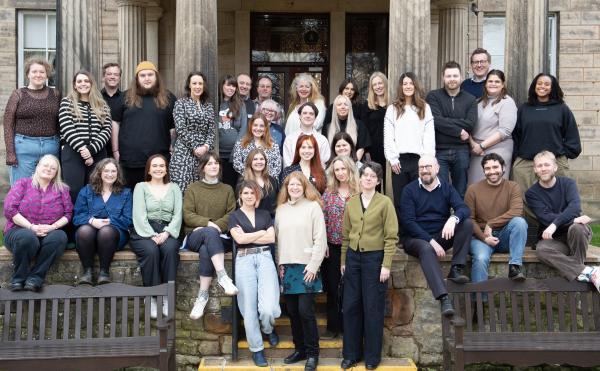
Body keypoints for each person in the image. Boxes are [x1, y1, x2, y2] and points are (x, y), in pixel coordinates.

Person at [340, 160, 398, 370]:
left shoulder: (385, 203)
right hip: (353, 259)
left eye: (373, 176)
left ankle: (372, 357)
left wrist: (386, 265)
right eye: (365, 175)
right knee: (351, 306)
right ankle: (351, 354)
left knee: (373, 307)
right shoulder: (351, 202)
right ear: (360, 177)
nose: (368, 179)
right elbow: (346, 236)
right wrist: (343, 261)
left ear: (378, 180)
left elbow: (391, 237)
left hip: (375, 260)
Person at [400, 155, 472, 317]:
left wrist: (453, 219)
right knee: (426, 248)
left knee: (466, 223)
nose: (424, 170)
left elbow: (464, 208)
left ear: (437, 169)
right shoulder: (409, 190)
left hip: (440, 236)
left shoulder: (446, 188)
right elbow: (408, 223)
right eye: (421, 167)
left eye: (428, 167)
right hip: (415, 238)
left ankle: (456, 268)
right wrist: (431, 241)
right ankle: (444, 297)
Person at [525, 151, 600, 292]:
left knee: (577, 228)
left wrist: (554, 224)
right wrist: (570, 219)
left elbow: (575, 208)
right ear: (535, 169)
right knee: (542, 250)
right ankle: (589, 272)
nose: (543, 168)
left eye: (547, 164)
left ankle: (581, 272)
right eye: (539, 166)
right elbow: (545, 217)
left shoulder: (568, 184)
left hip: (576, 236)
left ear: (555, 167)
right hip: (555, 241)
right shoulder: (532, 193)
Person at [275, 171, 327, 371]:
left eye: (298, 185)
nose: (294, 188)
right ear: (286, 188)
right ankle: (300, 350)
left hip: (307, 267)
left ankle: (313, 353)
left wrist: (313, 266)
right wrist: (279, 264)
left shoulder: (313, 207)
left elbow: (320, 240)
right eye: (290, 185)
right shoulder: (281, 209)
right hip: (287, 268)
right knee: (293, 312)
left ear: (304, 186)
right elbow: (278, 241)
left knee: (306, 312)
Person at [229, 180, 281, 367]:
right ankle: (257, 349)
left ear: (257, 195)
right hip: (244, 260)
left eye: (252, 193)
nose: (249, 196)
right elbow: (239, 240)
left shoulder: (265, 214)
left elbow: (271, 237)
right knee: (248, 309)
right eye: (245, 193)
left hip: (265, 258)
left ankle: (268, 328)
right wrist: (260, 234)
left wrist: (249, 236)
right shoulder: (234, 217)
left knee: (268, 307)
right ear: (240, 196)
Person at [3, 154, 72, 292]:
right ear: (38, 166)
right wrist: (31, 227)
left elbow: (68, 214)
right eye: (45, 165)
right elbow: (10, 209)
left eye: (53, 168)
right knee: (28, 237)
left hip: (48, 232)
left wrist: (52, 227)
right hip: (18, 231)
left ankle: (35, 278)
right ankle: (18, 279)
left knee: (60, 237)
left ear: (56, 172)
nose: (48, 169)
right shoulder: (22, 183)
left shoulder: (62, 189)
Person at [184, 151, 238, 320]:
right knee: (208, 234)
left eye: (216, 163)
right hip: (195, 235)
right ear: (203, 167)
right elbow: (187, 214)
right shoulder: (193, 188)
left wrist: (215, 228)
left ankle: (202, 297)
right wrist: (209, 224)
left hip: (221, 237)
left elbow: (231, 214)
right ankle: (223, 277)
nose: (213, 166)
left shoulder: (227, 189)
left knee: (207, 249)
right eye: (209, 163)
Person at [130, 154, 181, 318]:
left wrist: (166, 233)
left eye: (161, 166)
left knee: (171, 249)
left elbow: (178, 214)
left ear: (166, 169)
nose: (158, 169)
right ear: (149, 170)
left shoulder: (174, 188)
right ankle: (152, 296)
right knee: (151, 251)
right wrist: (151, 234)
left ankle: (166, 296)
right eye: (155, 166)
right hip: (143, 229)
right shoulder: (141, 187)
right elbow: (139, 214)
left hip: (167, 229)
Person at [512, 73, 581, 194]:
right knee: (524, 197)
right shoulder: (524, 108)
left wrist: (562, 155)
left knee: (559, 196)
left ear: (552, 87)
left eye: (546, 84)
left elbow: (572, 134)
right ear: (534, 86)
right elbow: (516, 134)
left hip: (555, 161)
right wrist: (519, 154)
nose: (542, 86)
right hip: (526, 162)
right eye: (539, 83)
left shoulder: (561, 108)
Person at [112, 61, 176, 189]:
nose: (147, 78)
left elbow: (173, 126)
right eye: (142, 75)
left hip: (159, 162)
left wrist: (172, 146)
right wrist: (115, 150)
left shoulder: (168, 97)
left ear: (156, 77)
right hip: (130, 160)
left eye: (150, 75)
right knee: (132, 199)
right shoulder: (125, 97)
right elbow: (115, 123)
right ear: (137, 79)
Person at [465, 153, 527, 286]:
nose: (492, 171)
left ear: (503, 168)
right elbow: (469, 219)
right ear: (483, 170)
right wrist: (484, 237)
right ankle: (480, 302)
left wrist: (491, 223)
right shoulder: (473, 190)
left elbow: (517, 211)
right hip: (481, 237)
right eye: (487, 168)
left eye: (495, 167)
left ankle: (514, 267)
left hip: (505, 236)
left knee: (520, 222)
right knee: (481, 259)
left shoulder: (513, 186)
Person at [384, 72, 435, 222]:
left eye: (411, 83)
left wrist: (427, 159)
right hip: (399, 161)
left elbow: (429, 135)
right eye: (405, 83)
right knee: (400, 200)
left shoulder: (425, 108)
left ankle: (418, 232)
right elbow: (388, 136)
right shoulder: (392, 109)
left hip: (419, 161)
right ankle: (403, 234)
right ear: (401, 87)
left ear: (416, 86)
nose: (408, 86)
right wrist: (392, 159)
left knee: (420, 198)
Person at [73, 158, 132, 285]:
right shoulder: (87, 190)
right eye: (106, 171)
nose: (110, 174)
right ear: (99, 172)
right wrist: (92, 221)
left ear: (118, 173)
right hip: (89, 235)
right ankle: (87, 272)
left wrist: (110, 221)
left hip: (114, 235)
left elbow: (128, 220)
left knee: (106, 231)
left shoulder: (125, 193)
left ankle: (104, 273)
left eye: (113, 171)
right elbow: (77, 217)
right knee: (84, 230)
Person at [321, 156, 360, 340]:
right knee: (333, 287)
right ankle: (333, 327)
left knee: (352, 288)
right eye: (337, 170)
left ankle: (349, 327)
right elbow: (323, 220)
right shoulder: (329, 193)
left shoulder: (359, 192)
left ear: (350, 169)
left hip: (355, 247)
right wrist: (323, 244)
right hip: (333, 247)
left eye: (343, 169)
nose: (340, 173)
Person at [4, 58, 60, 185]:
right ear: (28, 74)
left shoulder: (55, 94)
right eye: (34, 71)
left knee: (48, 190)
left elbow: (59, 122)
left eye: (42, 72)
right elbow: (8, 124)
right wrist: (10, 153)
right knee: (22, 188)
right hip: (24, 148)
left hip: (50, 147)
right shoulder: (18, 94)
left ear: (47, 75)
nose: (38, 75)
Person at [426, 61, 477, 198]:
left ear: (461, 77)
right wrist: (459, 131)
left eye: (455, 76)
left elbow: (470, 124)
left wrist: (446, 121)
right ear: (443, 78)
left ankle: (458, 217)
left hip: (461, 150)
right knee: (439, 188)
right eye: (448, 76)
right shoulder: (433, 96)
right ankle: (441, 218)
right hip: (439, 149)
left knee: (460, 190)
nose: (452, 79)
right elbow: (435, 120)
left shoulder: (471, 99)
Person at [59, 70, 112, 202]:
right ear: (75, 85)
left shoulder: (102, 104)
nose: (83, 84)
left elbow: (106, 130)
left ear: (91, 84)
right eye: (79, 81)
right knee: (74, 190)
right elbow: (67, 128)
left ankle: (93, 221)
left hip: (97, 153)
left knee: (96, 189)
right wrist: (83, 150)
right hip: (73, 153)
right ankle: (74, 222)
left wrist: (91, 150)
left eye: (86, 81)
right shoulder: (67, 102)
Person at [467, 70, 517, 184]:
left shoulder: (507, 102)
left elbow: (505, 131)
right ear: (485, 83)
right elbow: (467, 124)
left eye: (497, 81)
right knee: (475, 186)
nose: (493, 84)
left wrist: (482, 146)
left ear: (503, 84)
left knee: (494, 186)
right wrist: (473, 144)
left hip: (498, 149)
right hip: (476, 150)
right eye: (490, 81)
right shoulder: (478, 102)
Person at [170, 71, 215, 192]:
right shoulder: (181, 104)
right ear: (189, 85)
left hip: (203, 155)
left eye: (200, 83)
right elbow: (181, 129)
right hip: (184, 153)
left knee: (201, 191)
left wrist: (205, 147)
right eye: (194, 83)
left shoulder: (208, 106)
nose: (197, 86)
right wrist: (195, 147)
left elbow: (211, 131)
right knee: (183, 189)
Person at [217, 74, 248, 189]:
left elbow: (243, 129)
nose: (231, 88)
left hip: (232, 154)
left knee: (230, 186)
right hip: (216, 152)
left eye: (233, 86)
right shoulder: (215, 103)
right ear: (222, 86)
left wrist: (235, 152)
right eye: (228, 85)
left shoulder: (240, 104)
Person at [232, 113, 282, 179]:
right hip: (247, 182)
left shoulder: (273, 145)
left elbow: (277, 167)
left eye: (261, 126)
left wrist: (263, 179)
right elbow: (236, 164)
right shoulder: (241, 143)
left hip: (267, 182)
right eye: (255, 125)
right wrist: (252, 177)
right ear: (250, 126)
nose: (258, 128)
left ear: (265, 128)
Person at [361, 72, 389, 190]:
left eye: (380, 83)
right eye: (374, 85)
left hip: (391, 148)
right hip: (373, 150)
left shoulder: (393, 104)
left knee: (390, 183)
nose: (378, 86)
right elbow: (364, 131)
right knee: (374, 182)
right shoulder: (367, 106)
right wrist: (367, 151)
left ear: (385, 84)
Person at [322, 95, 370, 161]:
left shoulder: (359, 125)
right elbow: (327, 151)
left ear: (350, 107)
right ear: (335, 108)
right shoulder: (328, 128)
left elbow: (361, 149)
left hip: (354, 164)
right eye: (339, 105)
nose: (343, 107)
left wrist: (352, 164)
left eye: (346, 104)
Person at [282, 102, 330, 168]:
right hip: (294, 177)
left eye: (311, 114)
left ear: (315, 117)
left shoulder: (322, 140)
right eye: (304, 113)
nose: (308, 116)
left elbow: (324, 165)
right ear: (299, 116)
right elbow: (287, 164)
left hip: (316, 177)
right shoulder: (290, 139)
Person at [240, 148, 280, 218]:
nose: (259, 162)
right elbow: (240, 205)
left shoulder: (273, 180)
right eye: (255, 159)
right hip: (252, 220)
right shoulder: (243, 182)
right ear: (250, 162)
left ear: (265, 162)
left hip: (272, 219)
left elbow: (279, 202)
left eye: (261, 159)